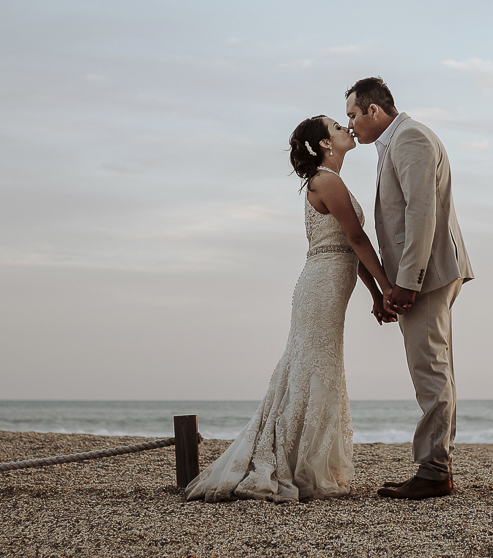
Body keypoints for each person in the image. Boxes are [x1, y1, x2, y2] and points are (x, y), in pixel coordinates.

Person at [185, 115, 395, 503]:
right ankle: (290, 463)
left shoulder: (329, 180)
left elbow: (351, 248)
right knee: (313, 367)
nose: (345, 127)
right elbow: (357, 238)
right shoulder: (325, 180)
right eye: (336, 126)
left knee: (315, 367)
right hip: (321, 286)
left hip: (330, 282)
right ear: (325, 144)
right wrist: (388, 287)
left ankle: (303, 460)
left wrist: (375, 295)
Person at [345, 77, 473, 500]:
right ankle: (437, 466)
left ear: (374, 111)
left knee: (429, 368)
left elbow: (421, 215)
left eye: (353, 115)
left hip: (428, 274)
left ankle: (434, 471)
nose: (351, 124)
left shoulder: (411, 138)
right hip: (428, 273)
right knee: (435, 366)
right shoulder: (398, 141)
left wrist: (407, 282)